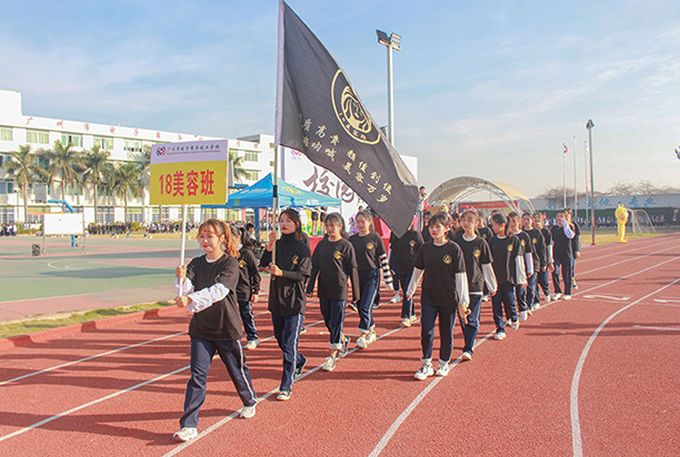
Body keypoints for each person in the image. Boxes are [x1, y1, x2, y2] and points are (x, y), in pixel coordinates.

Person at [173, 219, 258, 442]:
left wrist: (189, 298)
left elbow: (217, 292)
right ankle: (189, 424)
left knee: (237, 371)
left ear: (221, 238)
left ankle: (249, 399)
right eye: (201, 236)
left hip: (226, 329)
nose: (205, 241)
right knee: (197, 377)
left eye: (209, 236)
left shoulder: (230, 263)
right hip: (201, 330)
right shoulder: (195, 263)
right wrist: (180, 280)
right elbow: (186, 289)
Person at [406, 212, 469, 379]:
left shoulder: (454, 249)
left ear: (446, 228)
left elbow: (461, 276)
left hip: (448, 297)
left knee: (446, 331)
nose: (433, 230)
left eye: (437, 227)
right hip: (429, 296)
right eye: (431, 226)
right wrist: (410, 289)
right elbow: (418, 270)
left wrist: (463, 301)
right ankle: (426, 363)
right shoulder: (425, 248)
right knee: (426, 330)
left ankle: (443, 362)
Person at [260, 209, 311, 401]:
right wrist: (269, 245)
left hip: (295, 302)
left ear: (296, 224)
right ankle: (300, 360)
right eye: (281, 220)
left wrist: (282, 273)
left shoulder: (302, 247)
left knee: (289, 345)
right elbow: (263, 264)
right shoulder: (277, 244)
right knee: (280, 339)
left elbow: (302, 274)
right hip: (277, 300)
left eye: (288, 221)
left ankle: (286, 385)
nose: (284, 224)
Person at [307, 212, 359, 372]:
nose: (329, 228)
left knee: (336, 321)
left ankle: (332, 355)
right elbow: (314, 266)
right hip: (324, 288)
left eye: (332, 225)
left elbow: (352, 269)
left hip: (340, 290)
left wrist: (356, 295)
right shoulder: (322, 245)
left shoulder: (346, 246)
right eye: (327, 225)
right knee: (328, 319)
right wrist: (310, 286)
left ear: (340, 226)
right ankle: (343, 338)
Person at [453, 211, 497, 360]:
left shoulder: (481, 243)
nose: (466, 223)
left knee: (472, 318)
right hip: (459, 286)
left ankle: (468, 347)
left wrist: (491, 285)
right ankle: (468, 341)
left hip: (475, 285)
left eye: (469, 220)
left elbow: (486, 265)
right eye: (463, 220)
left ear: (476, 223)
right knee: (463, 318)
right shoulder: (456, 242)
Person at [349, 210, 393, 349]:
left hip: (372, 275)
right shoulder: (352, 240)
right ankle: (372, 328)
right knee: (361, 306)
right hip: (357, 277)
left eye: (363, 221)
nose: (361, 224)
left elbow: (383, 259)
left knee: (366, 305)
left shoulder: (375, 238)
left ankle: (363, 334)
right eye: (358, 222)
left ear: (369, 222)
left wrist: (388, 279)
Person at [488, 213, 525, 340]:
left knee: (509, 301)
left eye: (494, 225)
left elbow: (518, 259)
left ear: (502, 225)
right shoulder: (492, 241)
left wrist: (521, 278)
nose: (492, 227)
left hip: (509, 278)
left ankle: (514, 317)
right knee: (496, 305)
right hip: (495, 279)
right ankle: (500, 329)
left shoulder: (513, 240)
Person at [390, 219, 424, 327]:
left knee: (407, 292)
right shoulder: (397, 235)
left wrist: (421, 265)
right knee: (406, 290)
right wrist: (392, 266)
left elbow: (422, 250)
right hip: (401, 267)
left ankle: (406, 316)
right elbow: (393, 251)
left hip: (412, 268)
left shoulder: (415, 235)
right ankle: (412, 313)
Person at [232, 227, 261, 350]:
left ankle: (252, 337)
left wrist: (256, 291)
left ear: (237, 237)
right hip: (229, 291)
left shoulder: (246, 253)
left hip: (244, 290)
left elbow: (255, 273)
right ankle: (231, 339)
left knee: (246, 314)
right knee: (230, 315)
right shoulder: (227, 254)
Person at [507, 212, 534, 321]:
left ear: (519, 221)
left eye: (514, 221)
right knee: (509, 294)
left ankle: (523, 308)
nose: (512, 224)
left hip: (520, 267)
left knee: (520, 291)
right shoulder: (507, 236)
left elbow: (528, 253)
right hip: (508, 268)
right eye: (510, 221)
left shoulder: (524, 236)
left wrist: (530, 268)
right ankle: (511, 315)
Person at [521, 213, 546, 313]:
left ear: (531, 220)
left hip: (534, 262)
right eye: (524, 220)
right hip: (523, 263)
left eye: (528, 219)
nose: (526, 222)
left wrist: (543, 263)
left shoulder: (537, 233)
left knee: (531, 285)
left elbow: (542, 249)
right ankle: (530, 302)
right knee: (524, 286)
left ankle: (530, 304)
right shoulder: (521, 234)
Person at [551, 210, 576, 300]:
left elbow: (570, 236)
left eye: (561, 216)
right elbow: (552, 241)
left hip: (566, 254)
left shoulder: (570, 227)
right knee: (555, 272)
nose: (559, 218)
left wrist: (565, 225)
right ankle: (557, 291)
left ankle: (567, 292)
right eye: (558, 216)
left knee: (567, 274)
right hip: (556, 254)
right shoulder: (554, 228)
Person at [532, 212, 554, 306]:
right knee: (534, 282)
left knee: (544, 280)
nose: (537, 222)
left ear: (542, 221)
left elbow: (549, 247)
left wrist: (549, 261)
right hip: (534, 260)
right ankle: (536, 301)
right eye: (535, 220)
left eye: (539, 220)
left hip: (543, 259)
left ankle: (546, 292)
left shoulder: (546, 232)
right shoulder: (530, 232)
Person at [565, 209, 581, 289]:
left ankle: (572, 279)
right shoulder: (560, 225)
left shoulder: (574, 225)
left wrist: (577, 250)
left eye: (567, 214)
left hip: (571, 250)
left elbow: (577, 239)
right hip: (562, 249)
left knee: (571, 266)